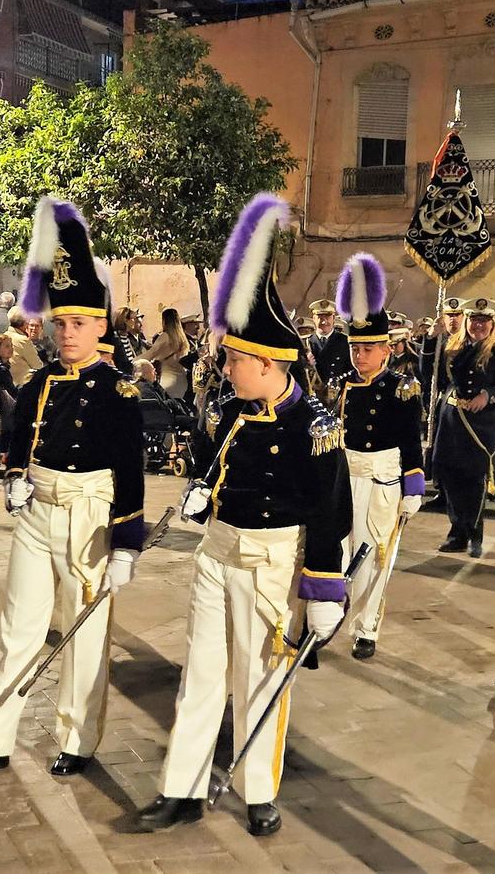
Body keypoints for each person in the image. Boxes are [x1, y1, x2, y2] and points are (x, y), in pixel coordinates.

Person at [134, 193, 352, 837]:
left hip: (273, 559)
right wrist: (198, 490)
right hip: (218, 550)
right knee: (200, 672)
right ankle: (183, 785)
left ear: (269, 363)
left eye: (235, 359)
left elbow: (330, 510)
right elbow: (206, 462)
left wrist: (323, 586)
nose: (225, 366)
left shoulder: (315, 425)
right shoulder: (228, 411)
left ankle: (259, 791)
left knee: (260, 677)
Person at [0, 196, 146, 781]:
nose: (67, 333)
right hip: (37, 509)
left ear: (101, 326)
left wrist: (128, 542)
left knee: (85, 637)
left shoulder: (118, 392)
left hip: (89, 512)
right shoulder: (37, 383)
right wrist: (12, 479)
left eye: (79, 323)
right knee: (17, 626)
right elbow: (17, 438)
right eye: (61, 322)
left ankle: (79, 740)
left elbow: (130, 471)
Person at [330, 254, 424, 660]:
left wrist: (413, 484)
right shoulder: (341, 386)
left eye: (369, 348)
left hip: (383, 479)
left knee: (373, 556)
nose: (361, 356)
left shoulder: (402, 387)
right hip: (344, 476)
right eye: (356, 348)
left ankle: (366, 627)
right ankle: (332, 610)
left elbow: (411, 440)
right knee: (337, 550)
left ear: (387, 350)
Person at [433, 297, 495, 557]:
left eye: (483, 321)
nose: (478, 325)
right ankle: (457, 532)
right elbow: (434, 376)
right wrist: (431, 340)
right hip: (452, 420)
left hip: (481, 424)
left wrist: (489, 394)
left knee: (473, 480)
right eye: (474, 320)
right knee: (449, 476)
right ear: (466, 321)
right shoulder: (451, 346)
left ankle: (474, 534)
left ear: (491, 323)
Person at [141, 305, 193, 400]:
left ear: (164, 321)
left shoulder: (164, 336)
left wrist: (133, 361)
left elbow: (150, 355)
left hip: (167, 381)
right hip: (182, 380)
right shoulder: (183, 339)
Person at [306, 297, 352, 391]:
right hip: (313, 395)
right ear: (313, 318)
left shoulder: (345, 342)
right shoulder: (306, 344)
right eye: (320, 317)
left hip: (338, 395)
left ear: (334, 318)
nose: (324, 322)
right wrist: (306, 365)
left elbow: (352, 371)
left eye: (327, 317)